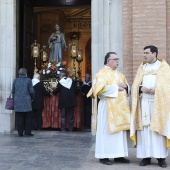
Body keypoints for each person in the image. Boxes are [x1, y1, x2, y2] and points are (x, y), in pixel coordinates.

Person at [87, 52, 131, 165]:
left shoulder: (120, 75)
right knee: (106, 132)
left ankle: (119, 155)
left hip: (119, 109)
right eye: (115, 59)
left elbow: (126, 88)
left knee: (119, 133)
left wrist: (127, 87)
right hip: (107, 107)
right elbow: (98, 90)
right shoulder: (101, 74)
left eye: (118, 59)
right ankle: (104, 155)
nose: (117, 61)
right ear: (108, 61)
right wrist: (116, 87)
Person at [130, 45, 170, 168]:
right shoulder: (142, 67)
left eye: (147, 53)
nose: (144, 55)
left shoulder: (164, 67)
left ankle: (161, 158)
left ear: (155, 53)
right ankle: (146, 156)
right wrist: (140, 88)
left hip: (158, 105)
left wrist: (156, 90)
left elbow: (167, 86)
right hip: (144, 103)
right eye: (144, 53)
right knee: (145, 130)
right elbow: (135, 85)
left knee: (157, 131)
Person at [12, 68, 35, 137]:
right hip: (26, 100)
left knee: (19, 117)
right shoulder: (28, 80)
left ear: (19, 73)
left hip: (18, 100)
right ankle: (27, 132)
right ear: (26, 73)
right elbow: (31, 91)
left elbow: (13, 90)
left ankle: (20, 133)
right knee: (28, 117)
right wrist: (32, 97)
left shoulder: (15, 80)